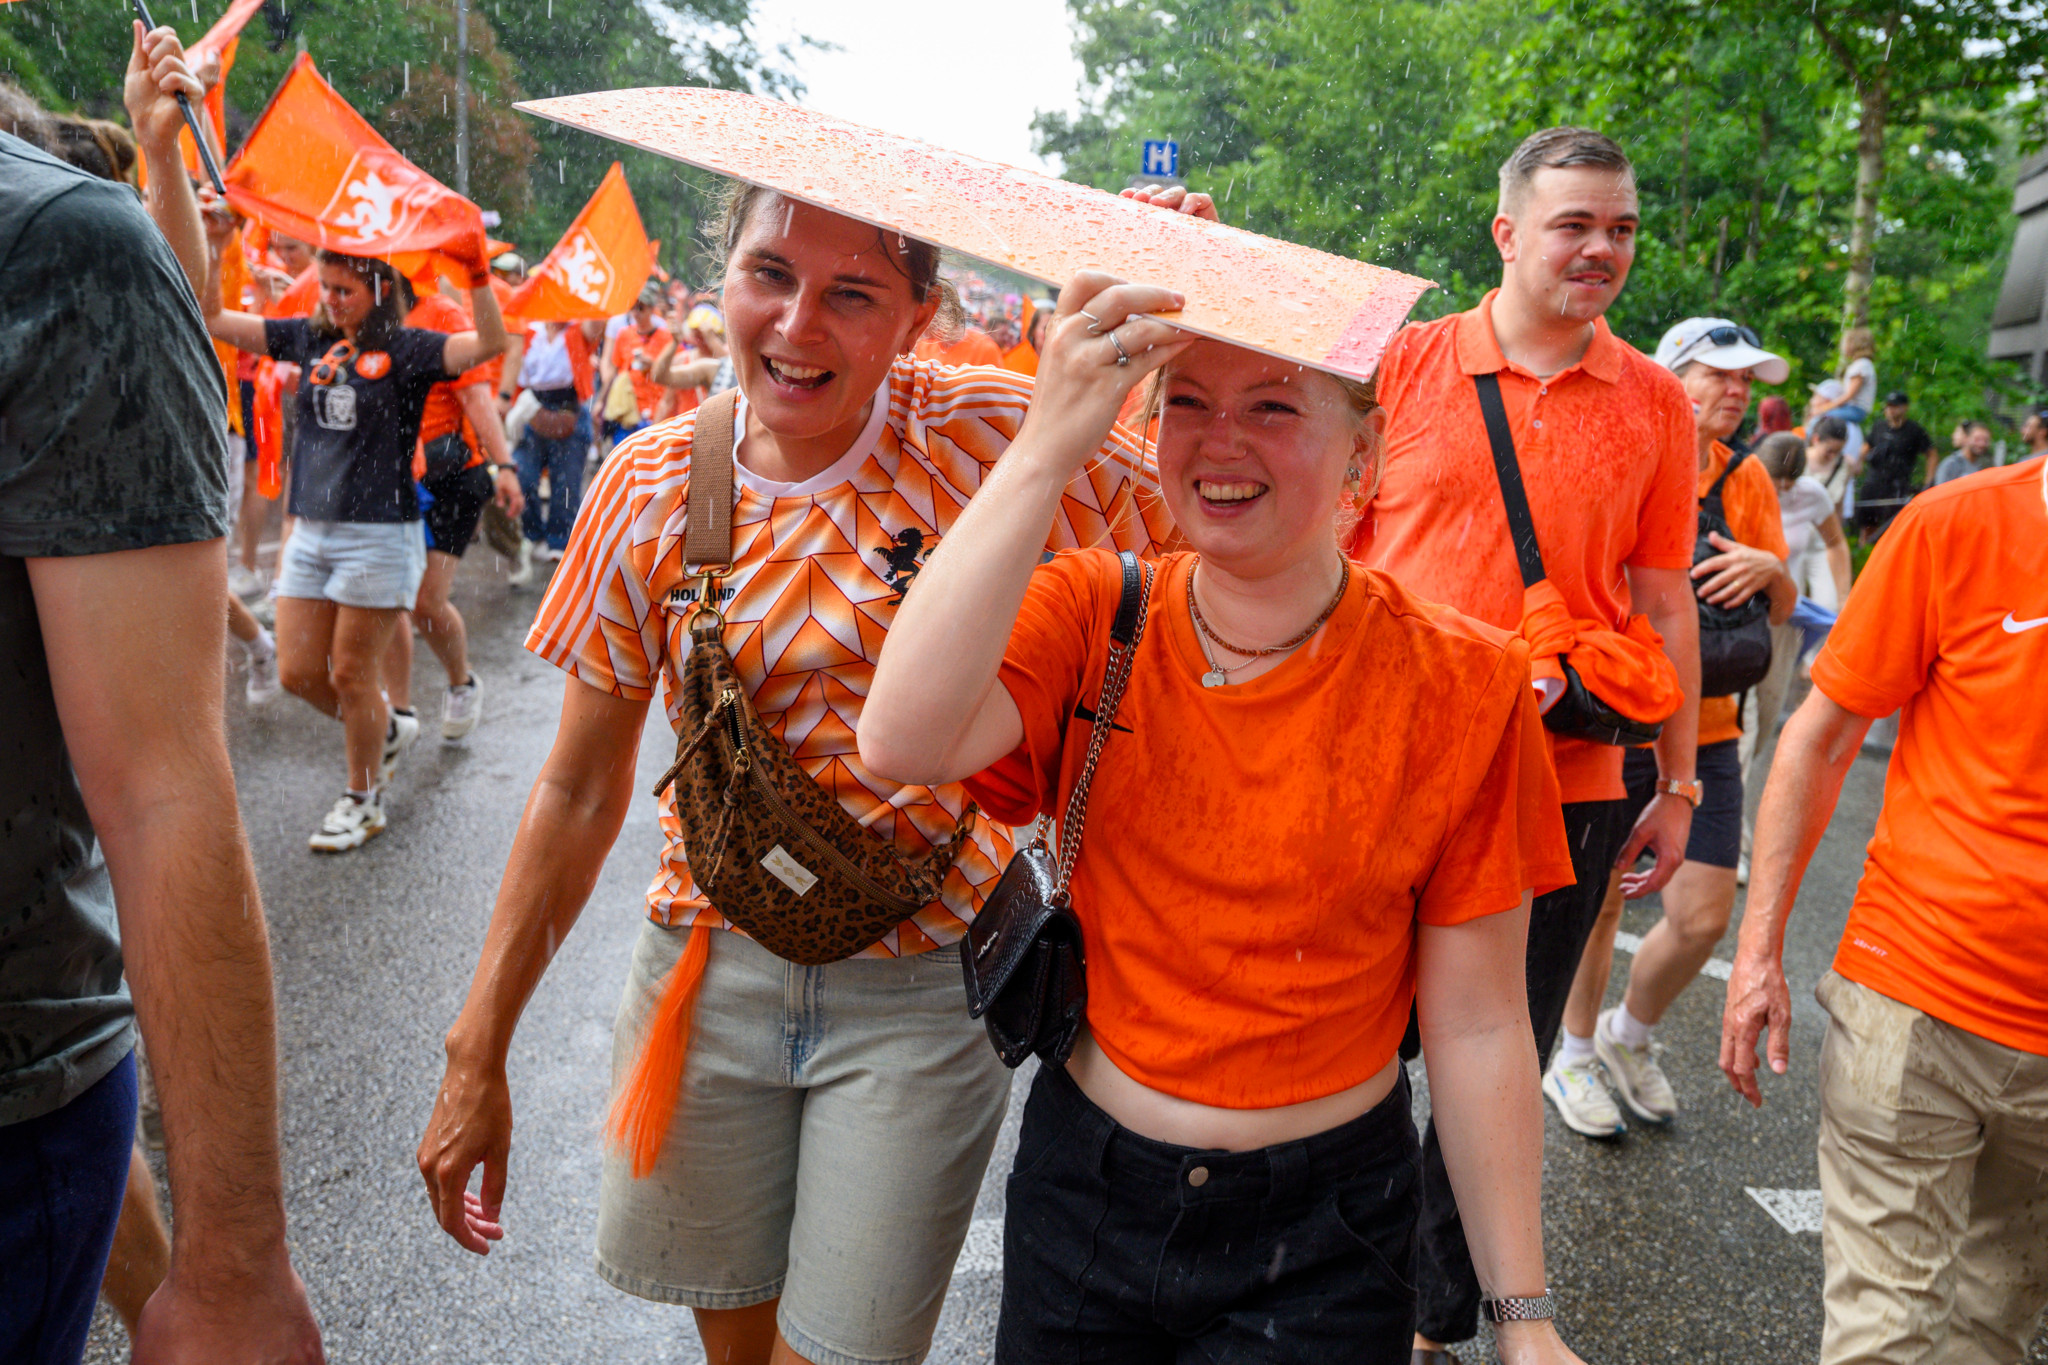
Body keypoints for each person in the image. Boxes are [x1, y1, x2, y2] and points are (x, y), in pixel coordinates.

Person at [417, 185, 1182, 1365]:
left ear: (919, 315)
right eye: (769, 274)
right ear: (722, 279)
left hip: (926, 986)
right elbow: (575, 789)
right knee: (739, 1348)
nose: (796, 325)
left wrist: (1178, 294)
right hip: (704, 971)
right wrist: (478, 1046)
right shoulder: (648, 485)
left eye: (854, 294)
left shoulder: (992, 432)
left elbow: (1215, 512)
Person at [860, 272, 1583, 1364]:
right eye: (1186, 401)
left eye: (1274, 406)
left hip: (1330, 1232)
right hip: (1085, 1197)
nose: (1219, 442)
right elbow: (900, 743)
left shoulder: (1463, 685)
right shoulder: (1092, 613)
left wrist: (1521, 1322)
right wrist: (1046, 445)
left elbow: (1478, 1022)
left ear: (1365, 453)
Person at [1336, 126, 1701, 1362]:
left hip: (1570, 784)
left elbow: (1659, 607)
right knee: (1351, 1048)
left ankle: (1435, 1323)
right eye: (1573, 225)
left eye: (1621, 228)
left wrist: (1680, 774)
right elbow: (1318, 555)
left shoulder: (1654, 400)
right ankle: (1333, 1292)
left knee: (1495, 1069)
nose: (1601, 248)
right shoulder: (1397, 366)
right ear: (1505, 235)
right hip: (1381, 768)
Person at [0, 25, 322, 1362]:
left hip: (23, 1089)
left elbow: (158, 787)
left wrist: (233, 1260)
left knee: (327, 659)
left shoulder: (65, 257)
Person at [1722, 451, 2048, 1365]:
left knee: (1994, 1331)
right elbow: (1821, 740)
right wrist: (1758, 955)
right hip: (1916, 1001)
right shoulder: (1958, 524)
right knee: (1887, 1337)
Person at [1547, 317, 1797, 1138]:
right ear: (1670, 376)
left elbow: (1778, 608)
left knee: (1701, 916)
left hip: (1712, 726)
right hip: (1622, 722)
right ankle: (1574, 1055)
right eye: (1720, 374)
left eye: (1746, 380)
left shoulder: (1746, 478)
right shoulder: (1622, 452)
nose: (1738, 390)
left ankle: (1629, 1034)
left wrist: (1776, 572)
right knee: (1605, 907)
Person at [200, 216, 507, 852]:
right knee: (296, 674)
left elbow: (487, 345)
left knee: (349, 677)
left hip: (379, 536)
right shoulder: (308, 340)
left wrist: (478, 274)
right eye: (326, 288)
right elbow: (212, 316)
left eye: (345, 290)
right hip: (311, 531)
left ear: (381, 291)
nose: (332, 301)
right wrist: (216, 244)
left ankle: (363, 799)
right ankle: (383, 730)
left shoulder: (408, 349)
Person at [379, 283, 525, 741]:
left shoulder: (441, 313)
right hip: (391, 475)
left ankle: (461, 682)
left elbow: (476, 396)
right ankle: (397, 715)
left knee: (424, 602)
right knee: (388, 600)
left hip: (451, 475)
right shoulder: (365, 316)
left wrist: (504, 466)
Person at [499, 316, 599, 583]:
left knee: (566, 482)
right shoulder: (530, 331)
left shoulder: (579, 329)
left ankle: (560, 540)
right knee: (523, 475)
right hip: (533, 407)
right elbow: (513, 363)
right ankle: (532, 534)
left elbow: (595, 325)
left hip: (570, 409)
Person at [1854, 390, 1931, 540]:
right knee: (1867, 524)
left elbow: (1931, 453)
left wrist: (1929, 480)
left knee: (1894, 527)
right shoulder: (1879, 426)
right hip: (1874, 481)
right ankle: (1866, 556)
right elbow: (1867, 445)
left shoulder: (1914, 430)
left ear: (1904, 408)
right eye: (1888, 406)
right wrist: (1858, 463)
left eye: (1895, 406)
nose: (1890, 410)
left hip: (1898, 485)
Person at [600, 282, 671, 444]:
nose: (636, 313)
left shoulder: (666, 337)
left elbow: (674, 373)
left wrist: (653, 364)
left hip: (655, 411)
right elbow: (615, 370)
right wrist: (601, 401)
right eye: (633, 308)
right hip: (628, 410)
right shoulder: (624, 335)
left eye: (641, 308)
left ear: (652, 309)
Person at [1934, 420, 1993, 484]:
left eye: (1986, 440)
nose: (1981, 444)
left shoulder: (1986, 465)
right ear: (1966, 438)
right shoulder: (1951, 464)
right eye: (1977, 439)